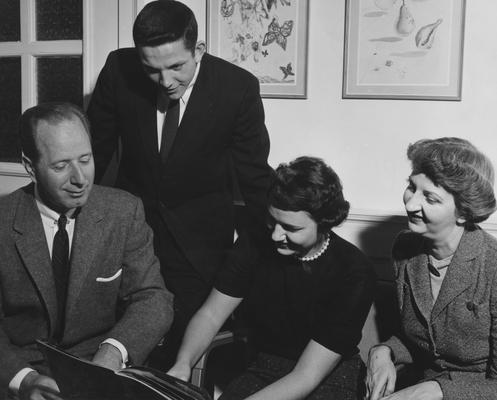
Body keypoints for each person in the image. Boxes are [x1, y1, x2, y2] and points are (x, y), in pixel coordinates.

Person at [86, 0, 272, 364]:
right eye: (151, 70)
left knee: (172, 357)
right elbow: (93, 152)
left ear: (198, 50)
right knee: (110, 346)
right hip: (130, 237)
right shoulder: (118, 69)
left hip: (198, 250)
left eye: (176, 66)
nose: (166, 82)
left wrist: (284, 240)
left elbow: (255, 179)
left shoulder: (237, 88)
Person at [0, 102, 173, 400]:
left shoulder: (123, 210)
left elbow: (154, 298)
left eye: (86, 159)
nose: (80, 179)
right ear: (30, 167)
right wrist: (24, 380)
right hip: (20, 369)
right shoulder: (4, 220)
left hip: (101, 365)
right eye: (61, 166)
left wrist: (114, 350)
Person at [168, 156, 376, 400]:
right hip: (264, 367)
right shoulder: (253, 243)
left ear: (324, 223)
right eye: (272, 221)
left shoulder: (353, 270)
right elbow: (211, 315)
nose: (276, 235)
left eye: (291, 228)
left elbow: (307, 375)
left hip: (329, 377)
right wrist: (182, 363)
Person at [365, 137, 497, 400]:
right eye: (411, 187)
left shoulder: (493, 265)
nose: (411, 204)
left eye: (430, 198)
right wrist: (381, 352)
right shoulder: (405, 249)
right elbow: (423, 340)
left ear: (463, 211)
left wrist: (437, 389)